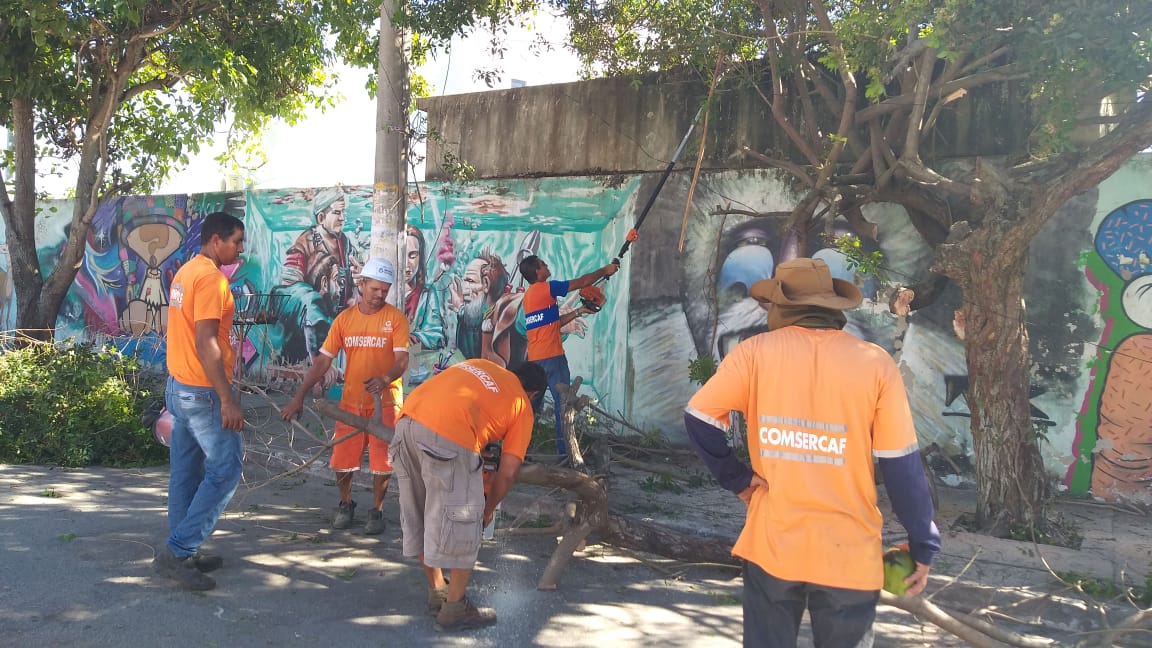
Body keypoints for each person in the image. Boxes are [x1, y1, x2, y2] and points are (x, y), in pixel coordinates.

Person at [684, 258, 940, 648]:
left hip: (774, 544)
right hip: (849, 554)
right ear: (831, 308)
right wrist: (922, 541)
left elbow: (699, 417)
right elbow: (901, 463)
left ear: (783, 308)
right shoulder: (875, 364)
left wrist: (735, 477)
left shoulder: (754, 354)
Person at [389, 359, 547, 631]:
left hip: (406, 424)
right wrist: (487, 511)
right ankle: (454, 609)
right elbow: (508, 471)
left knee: (418, 513)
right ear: (534, 394)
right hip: (447, 436)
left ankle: (438, 590)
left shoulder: (481, 365)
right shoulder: (522, 404)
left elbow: (459, 404)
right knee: (466, 521)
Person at [152, 211, 247, 591]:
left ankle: (183, 550)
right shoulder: (210, 278)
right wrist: (227, 399)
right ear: (215, 240)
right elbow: (205, 340)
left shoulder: (185, 272)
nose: (239, 249)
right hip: (203, 393)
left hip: (179, 386)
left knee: (186, 472)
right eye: (236, 241)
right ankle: (178, 551)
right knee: (226, 470)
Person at [280, 258, 410, 534]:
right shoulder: (344, 320)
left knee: (382, 462)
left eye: (385, 290)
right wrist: (298, 397)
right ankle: (346, 503)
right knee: (342, 459)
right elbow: (322, 362)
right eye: (375, 289)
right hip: (350, 403)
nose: (380, 294)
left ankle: (377, 510)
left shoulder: (395, 319)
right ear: (362, 284)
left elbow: (401, 361)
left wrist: (385, 379)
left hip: (386, 404)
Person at [517, 254, 618, 458]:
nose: (547, 266)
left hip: (536, 359)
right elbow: (582, 282)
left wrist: (579, 311)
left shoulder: (530, 297)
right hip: (553, 358)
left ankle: (516, 450)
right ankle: (566, 455)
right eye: (543, 264)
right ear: (538, 272)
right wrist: (604, 271)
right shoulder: (547, 288)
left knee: (528, 409)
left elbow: (554, 324)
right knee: (564, 407)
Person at [275, 187, 363, 364]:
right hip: (304, 331)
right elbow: (288, 292)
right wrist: (316, 298)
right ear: (321, 217)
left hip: (336, 323)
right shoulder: (303, 244)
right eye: (337, 212)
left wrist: (359, 283)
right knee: (310, 298)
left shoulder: (345, 243)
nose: (343, 218)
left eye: (343, 212)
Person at [402, 224, 446, 385]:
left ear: (421, 257)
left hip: (415, 365)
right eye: (402, 255)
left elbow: (436, 335)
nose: (407, 264)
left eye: (412, 255)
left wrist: (411, 338)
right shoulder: (384, 291)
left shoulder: (427, 293)